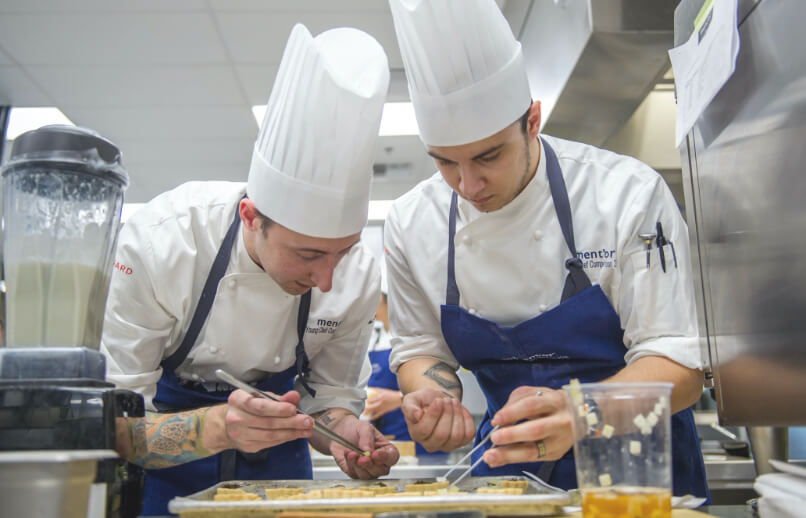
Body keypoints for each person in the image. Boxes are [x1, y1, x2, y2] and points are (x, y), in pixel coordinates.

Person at [384, 0, 709, 499]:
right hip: (508, 474)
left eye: (489, 155)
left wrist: (585, 413)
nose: (468, 184)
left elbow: (679, 362)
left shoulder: (624, 194)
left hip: (641, 473)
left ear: (532, 121)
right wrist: (433, 399)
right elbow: (421, 350)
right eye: (445, 163)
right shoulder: (411, 222)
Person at [103, 24, 399, 515]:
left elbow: (330, 396)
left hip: (280, 472)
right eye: (307, 254)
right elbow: (114, 429)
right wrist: (216, 427)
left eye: (341, 252)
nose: (327, 279)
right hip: (164, 476)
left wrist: (343, 431)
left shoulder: (356, 275)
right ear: (250, 217)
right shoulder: (163, 244)